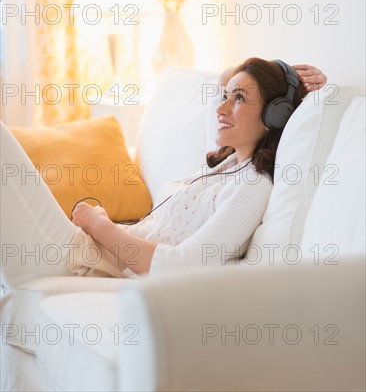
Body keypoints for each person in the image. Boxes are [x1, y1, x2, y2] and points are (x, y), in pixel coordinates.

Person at [0, 59, 326, 288]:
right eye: (226, 95)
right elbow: (227, 76)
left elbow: (180, 266)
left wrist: (98, 225)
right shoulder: (227, 165)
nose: (220, 108)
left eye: (238, 98)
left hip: (80, 261)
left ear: (276, 114)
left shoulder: (252, 185)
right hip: (82, 250)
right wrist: (279, 74)